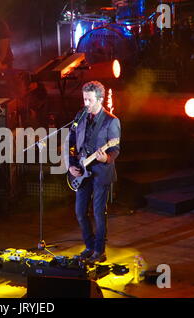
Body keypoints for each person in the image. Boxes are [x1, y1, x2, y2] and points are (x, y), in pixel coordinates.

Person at [67, 81, 121, 263]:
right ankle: (89, 246)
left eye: (89, 100)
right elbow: (72, 143)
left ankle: (100, 250)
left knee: (98, 213)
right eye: (84, 99)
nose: (86, 104)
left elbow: (116, 149)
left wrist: (105, 158)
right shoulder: (80, 116)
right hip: (82, 171)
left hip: (100, 172)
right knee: (80, 212)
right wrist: (71, 164)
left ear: (99, 99)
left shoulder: (111, 121)